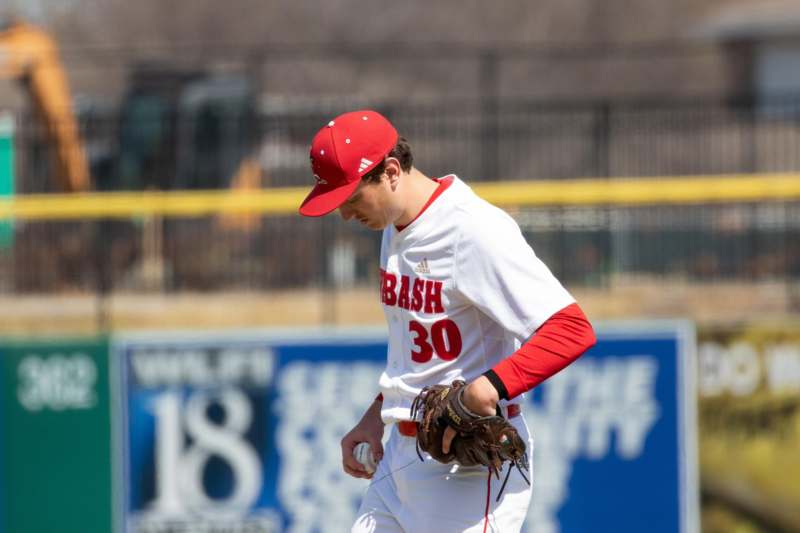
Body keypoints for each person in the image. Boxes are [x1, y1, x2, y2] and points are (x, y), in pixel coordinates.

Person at [299, 109, 596, 533]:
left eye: (351, 199)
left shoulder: (472, 230)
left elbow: (571, 329)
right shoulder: (395, 226)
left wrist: (488, 386)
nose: (345, 214)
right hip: (401, 458)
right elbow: (418, 350)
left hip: (462, 470)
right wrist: (376, 415)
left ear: (391, 171)